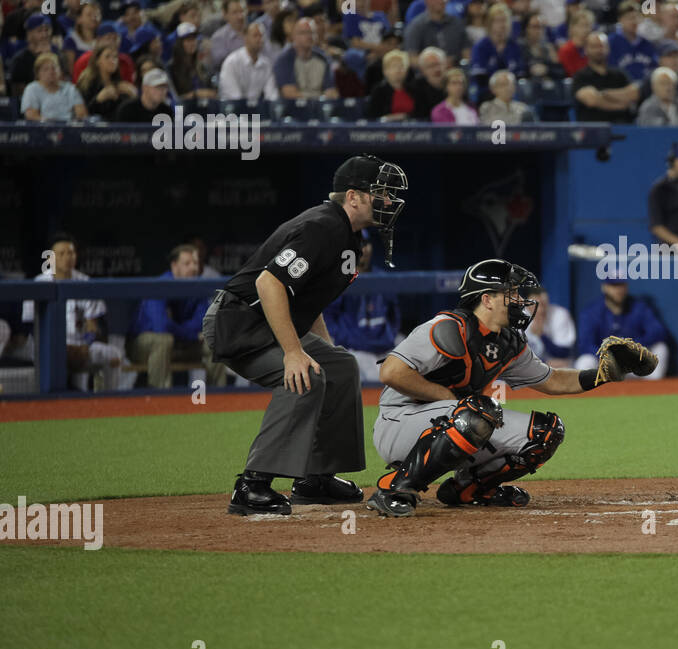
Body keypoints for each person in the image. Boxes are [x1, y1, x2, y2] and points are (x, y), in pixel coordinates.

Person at [364, 260, 659, 516]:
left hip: (456, 419)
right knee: (478, 412)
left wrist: (604, 374)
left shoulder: (507, 342)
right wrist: (449, 399)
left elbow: (553, 380)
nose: (520, 299)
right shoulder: (447, 328)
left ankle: (468, 489)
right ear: (487, 299)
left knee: (546, 432)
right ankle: (395, 488)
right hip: (398, 423)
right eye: (512, 293)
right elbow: (391, 372)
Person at [202, 155, 408, 516]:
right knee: (304, 376)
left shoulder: (347, 234)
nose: (389, 201)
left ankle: (316, 477)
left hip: (265, 321)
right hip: (239, 323)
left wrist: (321, 346)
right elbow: (270, 284)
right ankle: (251, 485)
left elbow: (308, 300)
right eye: (381, 193)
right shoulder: (323, 226)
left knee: (340, 366)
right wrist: (293, 353)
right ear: (354, 196)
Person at [21, 232, 126, 392]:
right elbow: (31, 327)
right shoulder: (39, 283)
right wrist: (60, 347)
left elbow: (93, 324)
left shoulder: (85, 282)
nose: (67, 257)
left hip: (80, 345)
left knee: (113, 355)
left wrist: (86, 344)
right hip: (47, 346)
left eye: (71, 252)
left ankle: (110, 401)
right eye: (61, 253)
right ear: (50, 258)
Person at [129, 243, 226, 389]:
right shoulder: (160, 286)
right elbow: (161, 326)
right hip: (143, 346)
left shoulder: (198, 288)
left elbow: (203, 323)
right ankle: (160, 399)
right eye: (187, 263)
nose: (193, 268)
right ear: (174, 266)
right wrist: (193, 335)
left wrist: (188, 333)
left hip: (181, 344)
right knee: (163, 340)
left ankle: (219, 398)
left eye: (195, 263)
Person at [321, 233, 399, 384]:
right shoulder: (341, 279)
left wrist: (390, 335)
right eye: (358, 244)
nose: (363, 249)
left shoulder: (382, 278)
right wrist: (345, 340)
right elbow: (329, 317)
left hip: (385, 347)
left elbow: (394, 314)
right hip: (357, 351)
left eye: (365, 243)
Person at [574, 276, 669, 380]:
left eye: (621, 285)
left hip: (634, 363)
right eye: (614, 286)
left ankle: (649, 391)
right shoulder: (592, 312)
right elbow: (585, 345)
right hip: (605, 364)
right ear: (604, 287)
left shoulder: (639, 307)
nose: (618, 290)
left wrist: (631, 348)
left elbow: (658, 331)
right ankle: (598, 393)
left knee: (661, 348)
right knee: (584, 362)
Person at [573, 31, 639, 123]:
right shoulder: (580, 76)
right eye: (594, 46)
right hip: (592, 129)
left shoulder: (620, 74)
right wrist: (621, 105)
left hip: (624, 127)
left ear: (608, 48)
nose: (599, 50)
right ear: (586, 50)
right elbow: (591, 100)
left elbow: (633, 94)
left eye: (601, 46)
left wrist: (604, 94)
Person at [21, 53, 87, 121]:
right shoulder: (32, 89)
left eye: (54, 68)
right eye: (46, 69)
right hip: (42, 127)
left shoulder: (70, 88)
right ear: (38, 73)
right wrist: (50, 124)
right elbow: (31, 115)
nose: (51, 72)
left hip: (68, 127)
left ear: (60, 71)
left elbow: (82, 114)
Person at [524, 287, 576, 367]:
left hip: (556, 366)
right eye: (536, 305)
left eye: (544, 304)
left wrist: (542, 336)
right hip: (531, 367)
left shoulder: (560, 314)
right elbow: (514, 357)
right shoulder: (517, 317)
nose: (541, 310)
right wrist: (543, 362)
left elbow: (563, 354)